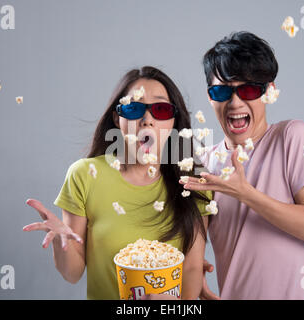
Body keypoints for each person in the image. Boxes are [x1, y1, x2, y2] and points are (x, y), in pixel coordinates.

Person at [22, 66, 213, 300]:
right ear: (117, 118)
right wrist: (61, 241)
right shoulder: (85, 175)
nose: (147, 120)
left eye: (161, 110)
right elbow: (72, 273)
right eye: (133, 109)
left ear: (174, 121)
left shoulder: (194, 181)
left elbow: (192, 268)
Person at [182, 31, 304, 299]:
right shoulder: (203, 166)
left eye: (248, 89)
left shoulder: (291, 136)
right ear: (210, 96)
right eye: (222, 90)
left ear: (269, 92)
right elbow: (193, 256)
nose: (235, 102)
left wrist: (245, 193)